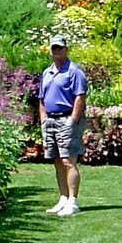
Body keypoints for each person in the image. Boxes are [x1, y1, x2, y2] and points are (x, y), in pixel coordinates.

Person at [39, 34, 88, 216]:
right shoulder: (47, 72)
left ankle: (73, 201)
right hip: (50, 120)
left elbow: (80, 96)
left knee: (69, 161)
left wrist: (72, 120)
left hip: (67, 119)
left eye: (60, 47)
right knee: (57, 161)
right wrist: (43, 118)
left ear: (66, 49)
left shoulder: (74, 71)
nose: (56, 51)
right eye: (54, 48)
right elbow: (42, 98)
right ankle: (63, 198)